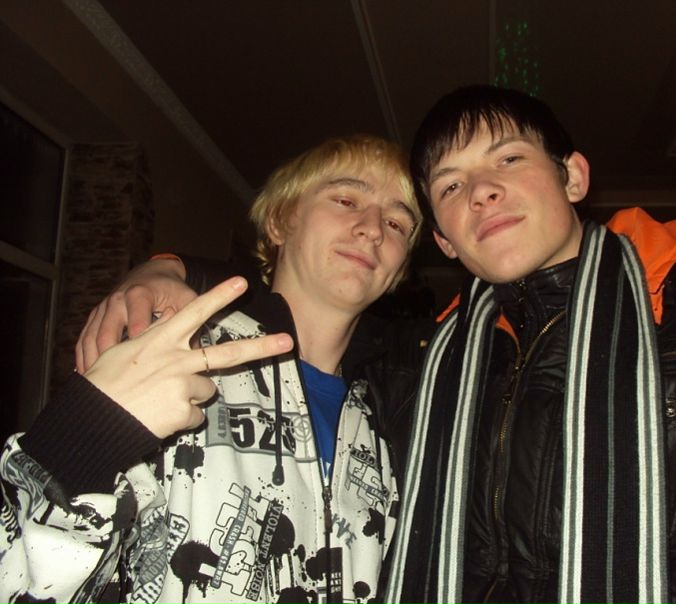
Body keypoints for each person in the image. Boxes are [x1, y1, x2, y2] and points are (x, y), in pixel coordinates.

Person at [70, 86, 676, 603]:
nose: (480, 191)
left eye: (508, 160)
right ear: (448, 242)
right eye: (450, 186)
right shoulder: (425, 369)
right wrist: (163, 270)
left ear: (574, 176)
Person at [0, 134, 423, 603]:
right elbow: (20, 575)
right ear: (280, 221)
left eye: (397, 223)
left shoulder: (394, 417)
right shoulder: (176, 351)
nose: (373, 229)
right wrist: (86, 435)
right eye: (346, 200)